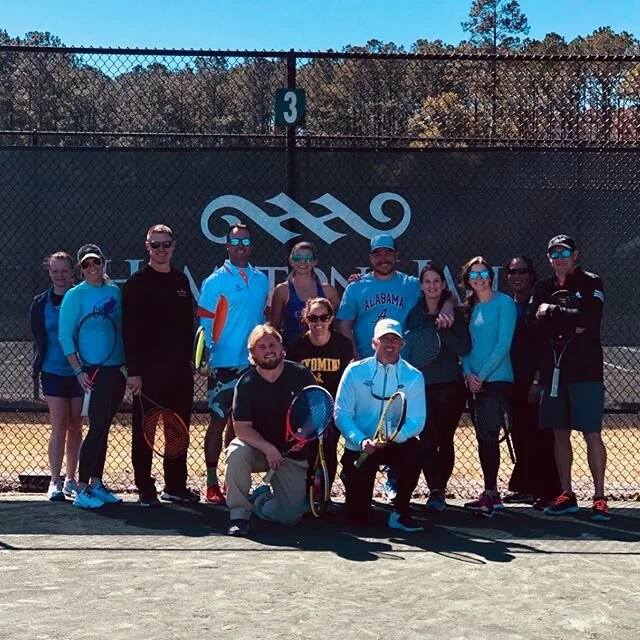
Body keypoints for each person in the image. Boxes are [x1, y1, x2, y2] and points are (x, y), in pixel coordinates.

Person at [335, 234, 453, 500]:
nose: (384, 258)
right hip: (368, 370)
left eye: (388, 253)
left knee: (396, 426)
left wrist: (448, 307)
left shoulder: (411, 284)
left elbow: (443, 294)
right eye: (378, 254)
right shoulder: (356, 288)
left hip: (400, 369)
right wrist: (355, 356)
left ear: (397, 256)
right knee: (365, 424)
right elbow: (343, 325)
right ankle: (355, 474)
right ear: (370, 258)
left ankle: (395, 483)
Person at [527, 235, 609, 521]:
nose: (559, 257)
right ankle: (566, 494)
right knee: (559, 433)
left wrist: (552, 312)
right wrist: (567, 322)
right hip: (553, 373)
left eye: (564, 252)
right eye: (554, 253)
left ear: (576, 255)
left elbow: (589, 319)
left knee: (591, 433)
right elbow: (532, 325)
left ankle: (599, 497)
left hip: (586, 372)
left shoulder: (591, 282)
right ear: (549, 258)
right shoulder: (542, 287)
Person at [122, 224, 199, 507]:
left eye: (166, 244)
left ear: (174, 246)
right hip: (148, 373)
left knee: (178, 431)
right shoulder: (137, 284)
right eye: (156, 245)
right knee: (145, 432)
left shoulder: (181, 281)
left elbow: (186, 327)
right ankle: (145, 489)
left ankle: (175, 486)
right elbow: (129, 331)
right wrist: (135, 373)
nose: (162, 249)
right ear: (147, 247)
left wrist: (191, 362)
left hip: (179, 371)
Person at [198, 223, 269, 504]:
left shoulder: (262, 280)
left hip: (254, 366)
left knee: (242, 424)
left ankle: (233, 480)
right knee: (218, 421)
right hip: (224, 365)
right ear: (227, 246)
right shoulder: (214, 282)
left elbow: (263, 320)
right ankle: (212, 482)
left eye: (246, 241)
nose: (240, 246)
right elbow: (204, 326)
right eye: (235, 241)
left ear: (251, 246)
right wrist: (205, 358)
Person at [334, 318, 426, 532]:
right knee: (358, 518)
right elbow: (342, 414)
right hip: (362, 446)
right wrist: (361, 439)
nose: (390, 344)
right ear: (374, 342)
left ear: (402, 344)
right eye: (385, 338)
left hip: (395, 444)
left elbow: (417, 421)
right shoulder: (354, 372)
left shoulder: (413, 376)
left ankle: (400, 512)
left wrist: (395, 437)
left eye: (395, 339)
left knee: (417, 449)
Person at [225, 325, 317, 536]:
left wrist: (303, 435)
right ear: (252, 353)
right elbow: (242, 429)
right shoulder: (246, 383)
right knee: (236, 451)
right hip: (257, 450)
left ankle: (259, 500)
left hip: (291, 453)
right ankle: (239, 515)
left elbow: (316, 411)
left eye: (273, 344)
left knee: (290, 518)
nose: (268, 350)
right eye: (262, 346)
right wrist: (268, 448)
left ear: (281, 347)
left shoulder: (301, 374)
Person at [58, 244, 126, 509]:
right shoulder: (76, 295)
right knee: (97, 427)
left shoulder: (115, 292)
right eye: (86, 264)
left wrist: (127, 368)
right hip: (93, 372)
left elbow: (122, 330)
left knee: (104, 428)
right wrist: (78, 371)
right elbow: (65, 336)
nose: (92, 268)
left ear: (103, 263)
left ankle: (96, 483)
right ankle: (82, 488)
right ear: (81, 268)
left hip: (116, 370)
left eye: (95, 262)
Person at [404, 264, 471, 512]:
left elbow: (464, 348)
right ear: (421, 286)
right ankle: (433, 490)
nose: (432, 286)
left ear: (444, 285)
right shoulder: (414, 314)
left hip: (451, 387)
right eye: (427, 282)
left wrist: (446, 330)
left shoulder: (456, 313)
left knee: (445, 438)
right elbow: (410, 350)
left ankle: (440, 489)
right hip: (422, 387)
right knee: (427, 439)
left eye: (436, 282)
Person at [460, 256, 516, 518]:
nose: (479, 278)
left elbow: (503, 343)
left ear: (491, 277)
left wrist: (481, 376)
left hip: (498, 381)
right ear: (468, 279)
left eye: (483, 273)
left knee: (490, 435)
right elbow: (465, 347)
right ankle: (489, 493)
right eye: (474, 275)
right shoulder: (469, 307)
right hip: (474, 383)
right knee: (483, 438)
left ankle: (492, 495)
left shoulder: (505, 303)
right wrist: (468, 374)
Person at [503, 255, 560, 510]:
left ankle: (550, 491)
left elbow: (543, 347)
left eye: (522, 271)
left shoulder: (537, 306)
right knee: (521, 433)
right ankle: (526, 487)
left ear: (531, 275)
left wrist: (537, 380)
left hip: (534, 381)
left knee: (540, 434)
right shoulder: (505, 306)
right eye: (512, 272)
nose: (517, 276)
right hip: (510, 380)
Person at [286, 297, 353, 508]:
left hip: (333, 407)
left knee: (329, 447)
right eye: (313, 318)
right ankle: (304, 494)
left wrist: (330, 413)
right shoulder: (297, 346)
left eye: (324, 317)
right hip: (305, 407)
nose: (319, 323)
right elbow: (293, 383)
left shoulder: (343, 345)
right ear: (306, 319)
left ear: (331, 319)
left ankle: (324, 495)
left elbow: (346, 383)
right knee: (306, 449)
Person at [29, 252, 83, 501]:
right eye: (55, 270)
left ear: (73, 273)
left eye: (64, 270)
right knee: (59, 424)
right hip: (52, 371)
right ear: (49, 273)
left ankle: (72, 479)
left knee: (76, 425)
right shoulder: (40, 303)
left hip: (81, 374)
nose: (60, 275)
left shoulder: (81, 298)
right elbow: (39, 339)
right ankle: (55, 481)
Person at [269, 241, 340, 347]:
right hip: (292, 352)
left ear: (315, 262)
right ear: (291, 261)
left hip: (322, 354)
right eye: (297, 258)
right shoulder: (282, 291)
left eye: (308, 258)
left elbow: (339, 324)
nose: (302, 262)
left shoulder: (329, 291)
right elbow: (274, 327)